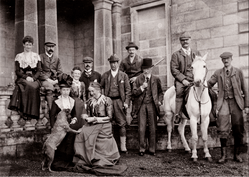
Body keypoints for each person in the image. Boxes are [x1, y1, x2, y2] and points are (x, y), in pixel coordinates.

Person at [72, 82, 126, 175]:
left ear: (98, 90)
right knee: (80, 133)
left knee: (90, 135)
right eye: (90, 91)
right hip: (93, 124)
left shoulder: (106, 100)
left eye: (93, 91)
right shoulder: (89, 101)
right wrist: (85, 116)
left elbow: (109, 117)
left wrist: (95, 119)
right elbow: (88, 115)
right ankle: (86, 158)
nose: (91, 93)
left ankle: (99, 158)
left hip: (104, 125)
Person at [207, 52, 249, 164]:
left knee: (238, 128)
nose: (226, 61)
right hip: (223, 102)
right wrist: (199, 83)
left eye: (228, 58)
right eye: (224, 59)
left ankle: (237, 154)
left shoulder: (238, 72)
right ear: (221, 60)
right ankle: (223, 156)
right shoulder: (218, 73)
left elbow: (245, 89)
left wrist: (247, 105)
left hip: (236, 102)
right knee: (222, 128)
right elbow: (209, 84)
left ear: (231, 59)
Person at [50, 74, 85, 171]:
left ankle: (68, 160)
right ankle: (58, 161)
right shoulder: (56, 101)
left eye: (67, 90)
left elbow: (74, 113)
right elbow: (52, 115)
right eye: (64, 90)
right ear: (60, 90)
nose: (66, 92)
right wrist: (53, 127)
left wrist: (74, 119)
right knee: (60, 142)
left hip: (69, 125)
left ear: (70, 90)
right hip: (59, 127)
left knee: (70, 141)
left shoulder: (72, 101)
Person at [100, 54, 131, 153]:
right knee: (107, 123)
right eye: (111, 63)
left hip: (119, 101)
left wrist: (126, 102)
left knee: (121, 123)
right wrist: (102, 99)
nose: (113, 65)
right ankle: (109, 146)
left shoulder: (123, 75)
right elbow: (101, 88)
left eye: (115, 63)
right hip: (108, 101)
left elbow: (128, 91)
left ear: (118, 63)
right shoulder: (105, 75)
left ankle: (123, 146)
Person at [132, 58, 163, 156]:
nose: (146, 71)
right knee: (141, 128)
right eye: (144, 69)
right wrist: (142, 87)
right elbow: (134, 92)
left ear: (151, 69)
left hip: (152, 105)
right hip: (141, 105)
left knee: (152, 128)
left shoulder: (156, 79)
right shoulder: (138, 79)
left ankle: (152, 149)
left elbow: (161, 92)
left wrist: (159, 101)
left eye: (148, 68)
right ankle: (142, 149)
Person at [170, 32, 201, 124]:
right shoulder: (176, 55)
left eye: (187, 40)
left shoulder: (196, 53)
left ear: (190, 40)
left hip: (195, 78)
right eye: (183, 40)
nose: (185, 42)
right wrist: (183, 80)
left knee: (208, 91)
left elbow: (201, 65)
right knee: (179, 91)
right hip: (181, 80)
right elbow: (174, 69)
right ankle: (178, 114)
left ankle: (209, 114)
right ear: (180, 42)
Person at [8, 35, 42, 120]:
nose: (28, 46)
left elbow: (39, 70)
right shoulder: (19, 56)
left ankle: (32, 113)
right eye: (26, 44)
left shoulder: (36, 56)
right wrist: (26, 77)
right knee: (28, 85)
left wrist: (34, 78)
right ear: (23, 45)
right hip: (22, 77)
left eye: (30, 45)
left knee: (34, 86)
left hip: (33, 77)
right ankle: (25, 112)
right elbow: (17, 71)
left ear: (32, 45)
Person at [119, 42, 143, 124]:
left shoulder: (140, 60)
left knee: (136, 99)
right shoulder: (124, 61)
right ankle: (124, 117)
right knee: (126, 97)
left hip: (137, 83)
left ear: (136, 50)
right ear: (128, 51)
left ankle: (135, 116)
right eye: (130, 50)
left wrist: (137, 78)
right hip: (127, 83)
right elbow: (120, 73)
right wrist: (126, 80)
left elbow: (144, 73)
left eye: (133, 50)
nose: (131, 51)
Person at [39, 41, 63, 110]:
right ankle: (51, 111)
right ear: (45, 47)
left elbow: (60, 71)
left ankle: (61, 110)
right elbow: (39, 71)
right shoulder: (40, 57)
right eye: (49, 47)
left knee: (62, 88)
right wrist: (48, 79)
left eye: (52, 47)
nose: (51, 48)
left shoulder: (57, 59)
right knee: (49, 87)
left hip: (54, 79)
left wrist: (57, 80)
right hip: (44, 80)